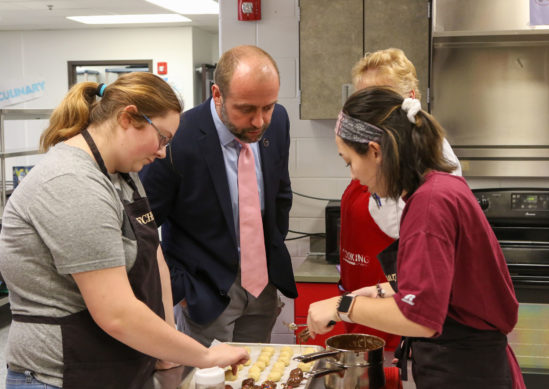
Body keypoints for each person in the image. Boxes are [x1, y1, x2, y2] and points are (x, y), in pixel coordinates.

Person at [0, 73, 248, 389]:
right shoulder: (71, 183)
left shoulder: (121, 175)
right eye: (162, 138)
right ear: (128, 118)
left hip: (115, 368)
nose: (162, 152)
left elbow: (154, 256)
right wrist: (204, 356)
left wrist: (167, 350)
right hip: (62, 376)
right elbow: (115, 312)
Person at [307, 86, 525, 389]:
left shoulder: (428, 206)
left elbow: (420, 318)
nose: (353, 176)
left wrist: (342, 305)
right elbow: (442, 282)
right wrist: (375, 290)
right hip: (468, 364)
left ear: (374, 151)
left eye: (349, 162)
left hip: (465, 372)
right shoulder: (438, 186)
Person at [139, 45, 297, 347]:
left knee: (255, 373)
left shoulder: (278, 123)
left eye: (268, 106)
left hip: (262, 284)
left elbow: (281, 194)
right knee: (208, 379)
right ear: (217, 94)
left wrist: (270, 247)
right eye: (246, 109)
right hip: (204, 292)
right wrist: (179, 289)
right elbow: (140, 228)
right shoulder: (178, 136)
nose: (259, 121)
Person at [336, 48, 463, 351]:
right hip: (369, 303)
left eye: (379, 99)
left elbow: (421, 297)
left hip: (401, 320)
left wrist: (346, 305)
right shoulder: (381, 159)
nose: (368, 112)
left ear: (409, 97)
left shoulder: (429, 182)